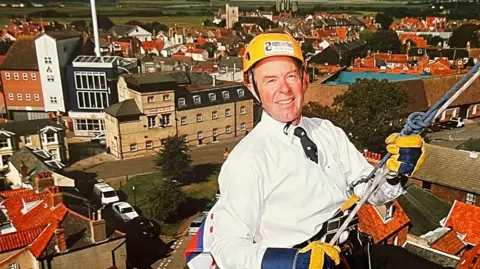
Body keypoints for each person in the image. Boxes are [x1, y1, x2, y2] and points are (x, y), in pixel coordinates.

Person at [209, 33, 452, 269]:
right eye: (270, 80)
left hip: (354, 254)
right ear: (252, 87)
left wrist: (397, 171)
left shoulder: (327, 131)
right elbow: (226, 247)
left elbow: (369, 190)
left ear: (304, 78)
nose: (284, 89)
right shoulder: (248, 159)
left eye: (291, 76)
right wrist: (293, 262)